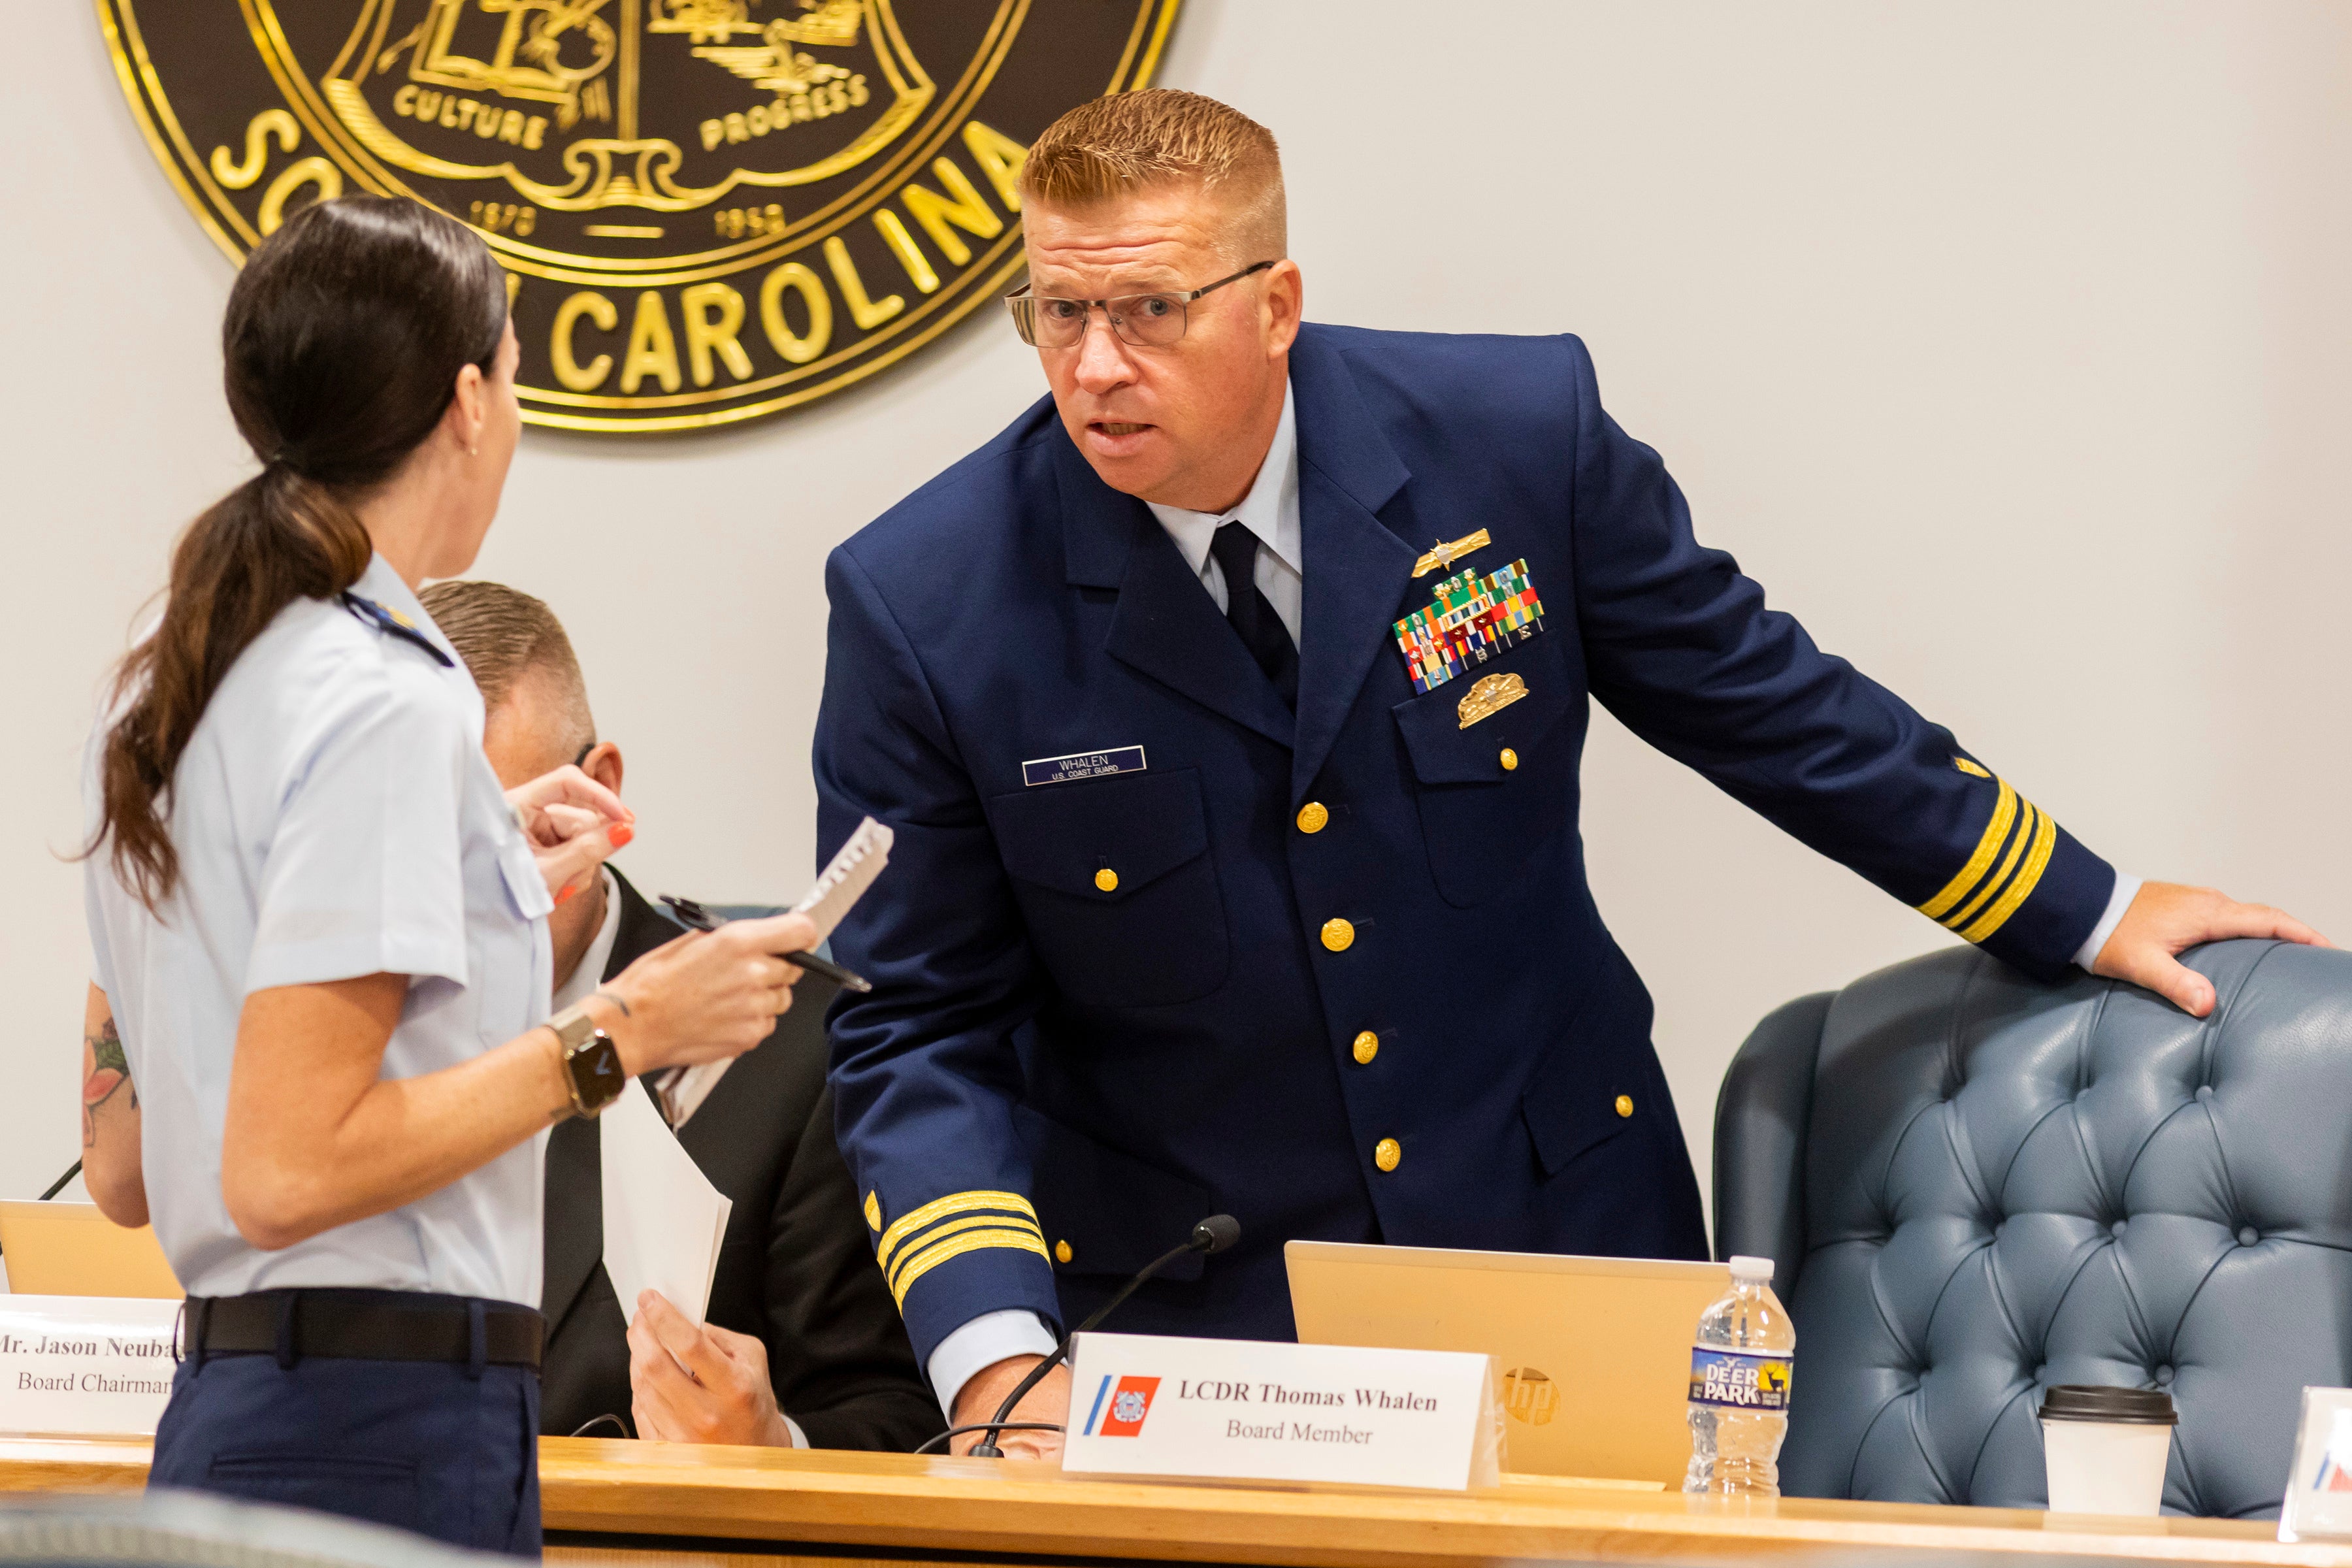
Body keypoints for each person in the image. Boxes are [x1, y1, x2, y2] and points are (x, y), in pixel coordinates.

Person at [809, 89, 2327, 1460]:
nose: (1094, 367)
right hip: (1207, 1322)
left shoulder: (1511, 442)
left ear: (1276, 305)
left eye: (1147, 307)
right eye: (1056, 312)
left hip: (1556, 1250)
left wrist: (2083, 902)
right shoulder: (929, 601)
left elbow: (1771, 705)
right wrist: (1000, 1368)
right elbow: (921, 1025)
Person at [76, 195, 816, 1553]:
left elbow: (124, 1167)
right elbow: (291, 1169)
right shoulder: (385, 698)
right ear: (471, 399)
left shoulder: (177, 688)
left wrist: (474, 858)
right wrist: (621, 1031)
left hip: (238, 1396)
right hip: (384, 1427)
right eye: (519, 375)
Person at [416, 579, 942, 1452]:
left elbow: (902, 1423)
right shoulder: (346, 1034)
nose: (444, 899)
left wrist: (771, 1442)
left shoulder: (789, 1048)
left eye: (486, 842)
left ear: (596, 797)